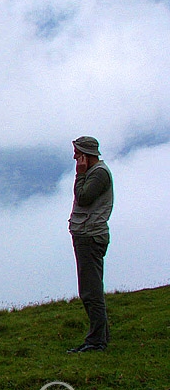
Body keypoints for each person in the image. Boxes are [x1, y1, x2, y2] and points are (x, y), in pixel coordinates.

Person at [67, 136, 113, 353]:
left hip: (90, 236)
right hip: (86, 234)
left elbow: (83, 198)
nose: (75, 156)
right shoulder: (97, 173)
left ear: (85, 153)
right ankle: (101, 336)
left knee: (90, 291)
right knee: (91, 289)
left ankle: (96, 342)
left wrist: (80, 174)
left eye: (77, 152)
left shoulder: (98, 174)